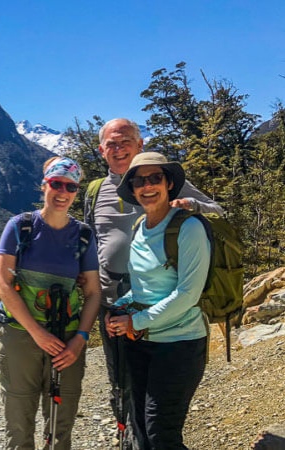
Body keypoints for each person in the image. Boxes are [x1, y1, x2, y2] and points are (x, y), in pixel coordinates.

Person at [82, 118, 222, 447]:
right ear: (102, 151)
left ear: (140, 144)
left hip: (163, 317)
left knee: (160, 422)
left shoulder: (169, 187)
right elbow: (91, 240)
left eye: (125, 141)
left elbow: (217, 212)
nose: (118, 149)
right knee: (125, 388)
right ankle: (130, 442)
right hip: (117, 306)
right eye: (111, 145)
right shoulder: (95, 192)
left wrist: (193, 205)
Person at [0, 156, 101, 449]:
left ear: (76, 192)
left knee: (61, 423)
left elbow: (93, 292)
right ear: (44, 185)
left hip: (66, 339)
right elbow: (2, 283)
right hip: (20, 335)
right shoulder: (20, 227)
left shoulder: (82, 236)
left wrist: (79, 340)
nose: (62, 192)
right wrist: (37, 333)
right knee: (18, 422)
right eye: (56, 184)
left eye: (70, 186)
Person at [107, 152, 210, 449]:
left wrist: (134, 321)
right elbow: (141, 290)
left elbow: (188, 295)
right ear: (133, 188)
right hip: (140, 343)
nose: (147, 186)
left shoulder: (189, 228)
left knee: (160, 432)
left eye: (155, 178)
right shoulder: (140, 227)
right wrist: (120, 309)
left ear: (168, 183)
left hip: (179, 345)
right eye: (140, 181)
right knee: (141, 428)